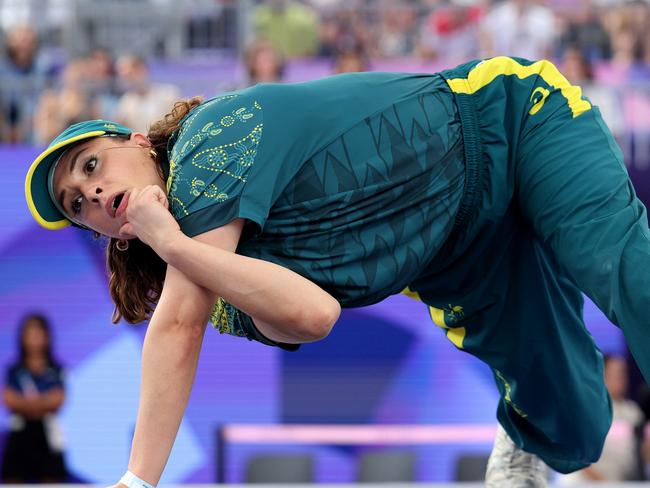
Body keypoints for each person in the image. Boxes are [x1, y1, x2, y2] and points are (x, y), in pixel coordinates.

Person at [23, 55, 650, 487]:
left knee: (629, 276)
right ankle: (525, 431)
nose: (93, 192)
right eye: (78, 206)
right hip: (457, 259)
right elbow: (313, 315)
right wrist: (178, 248)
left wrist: (136, 480)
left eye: (90, 165)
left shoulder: (206, 138)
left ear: (135, 141)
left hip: (509, 121)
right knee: (575, 428)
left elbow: (177, 323)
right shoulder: (214, 286)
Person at [1, 314, 67, 483]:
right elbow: (9, 399)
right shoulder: (14, 370)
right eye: (30, 333)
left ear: (47, 337)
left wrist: (25, 404)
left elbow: (58, 399)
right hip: (20, 434)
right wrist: (42, 403)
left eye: (39, 333)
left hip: (48, 436)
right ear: (22, 338)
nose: (34, 338)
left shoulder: (56, 369)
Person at [561, 354, 645, 483]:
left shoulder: (632, 411)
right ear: (601, 376)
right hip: (587, 484)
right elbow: (575, 456)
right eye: (614, 375)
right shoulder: (585, 410)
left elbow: (642, 451)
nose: (620, 380)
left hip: (624, 483)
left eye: (622, 374)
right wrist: (604, 483)